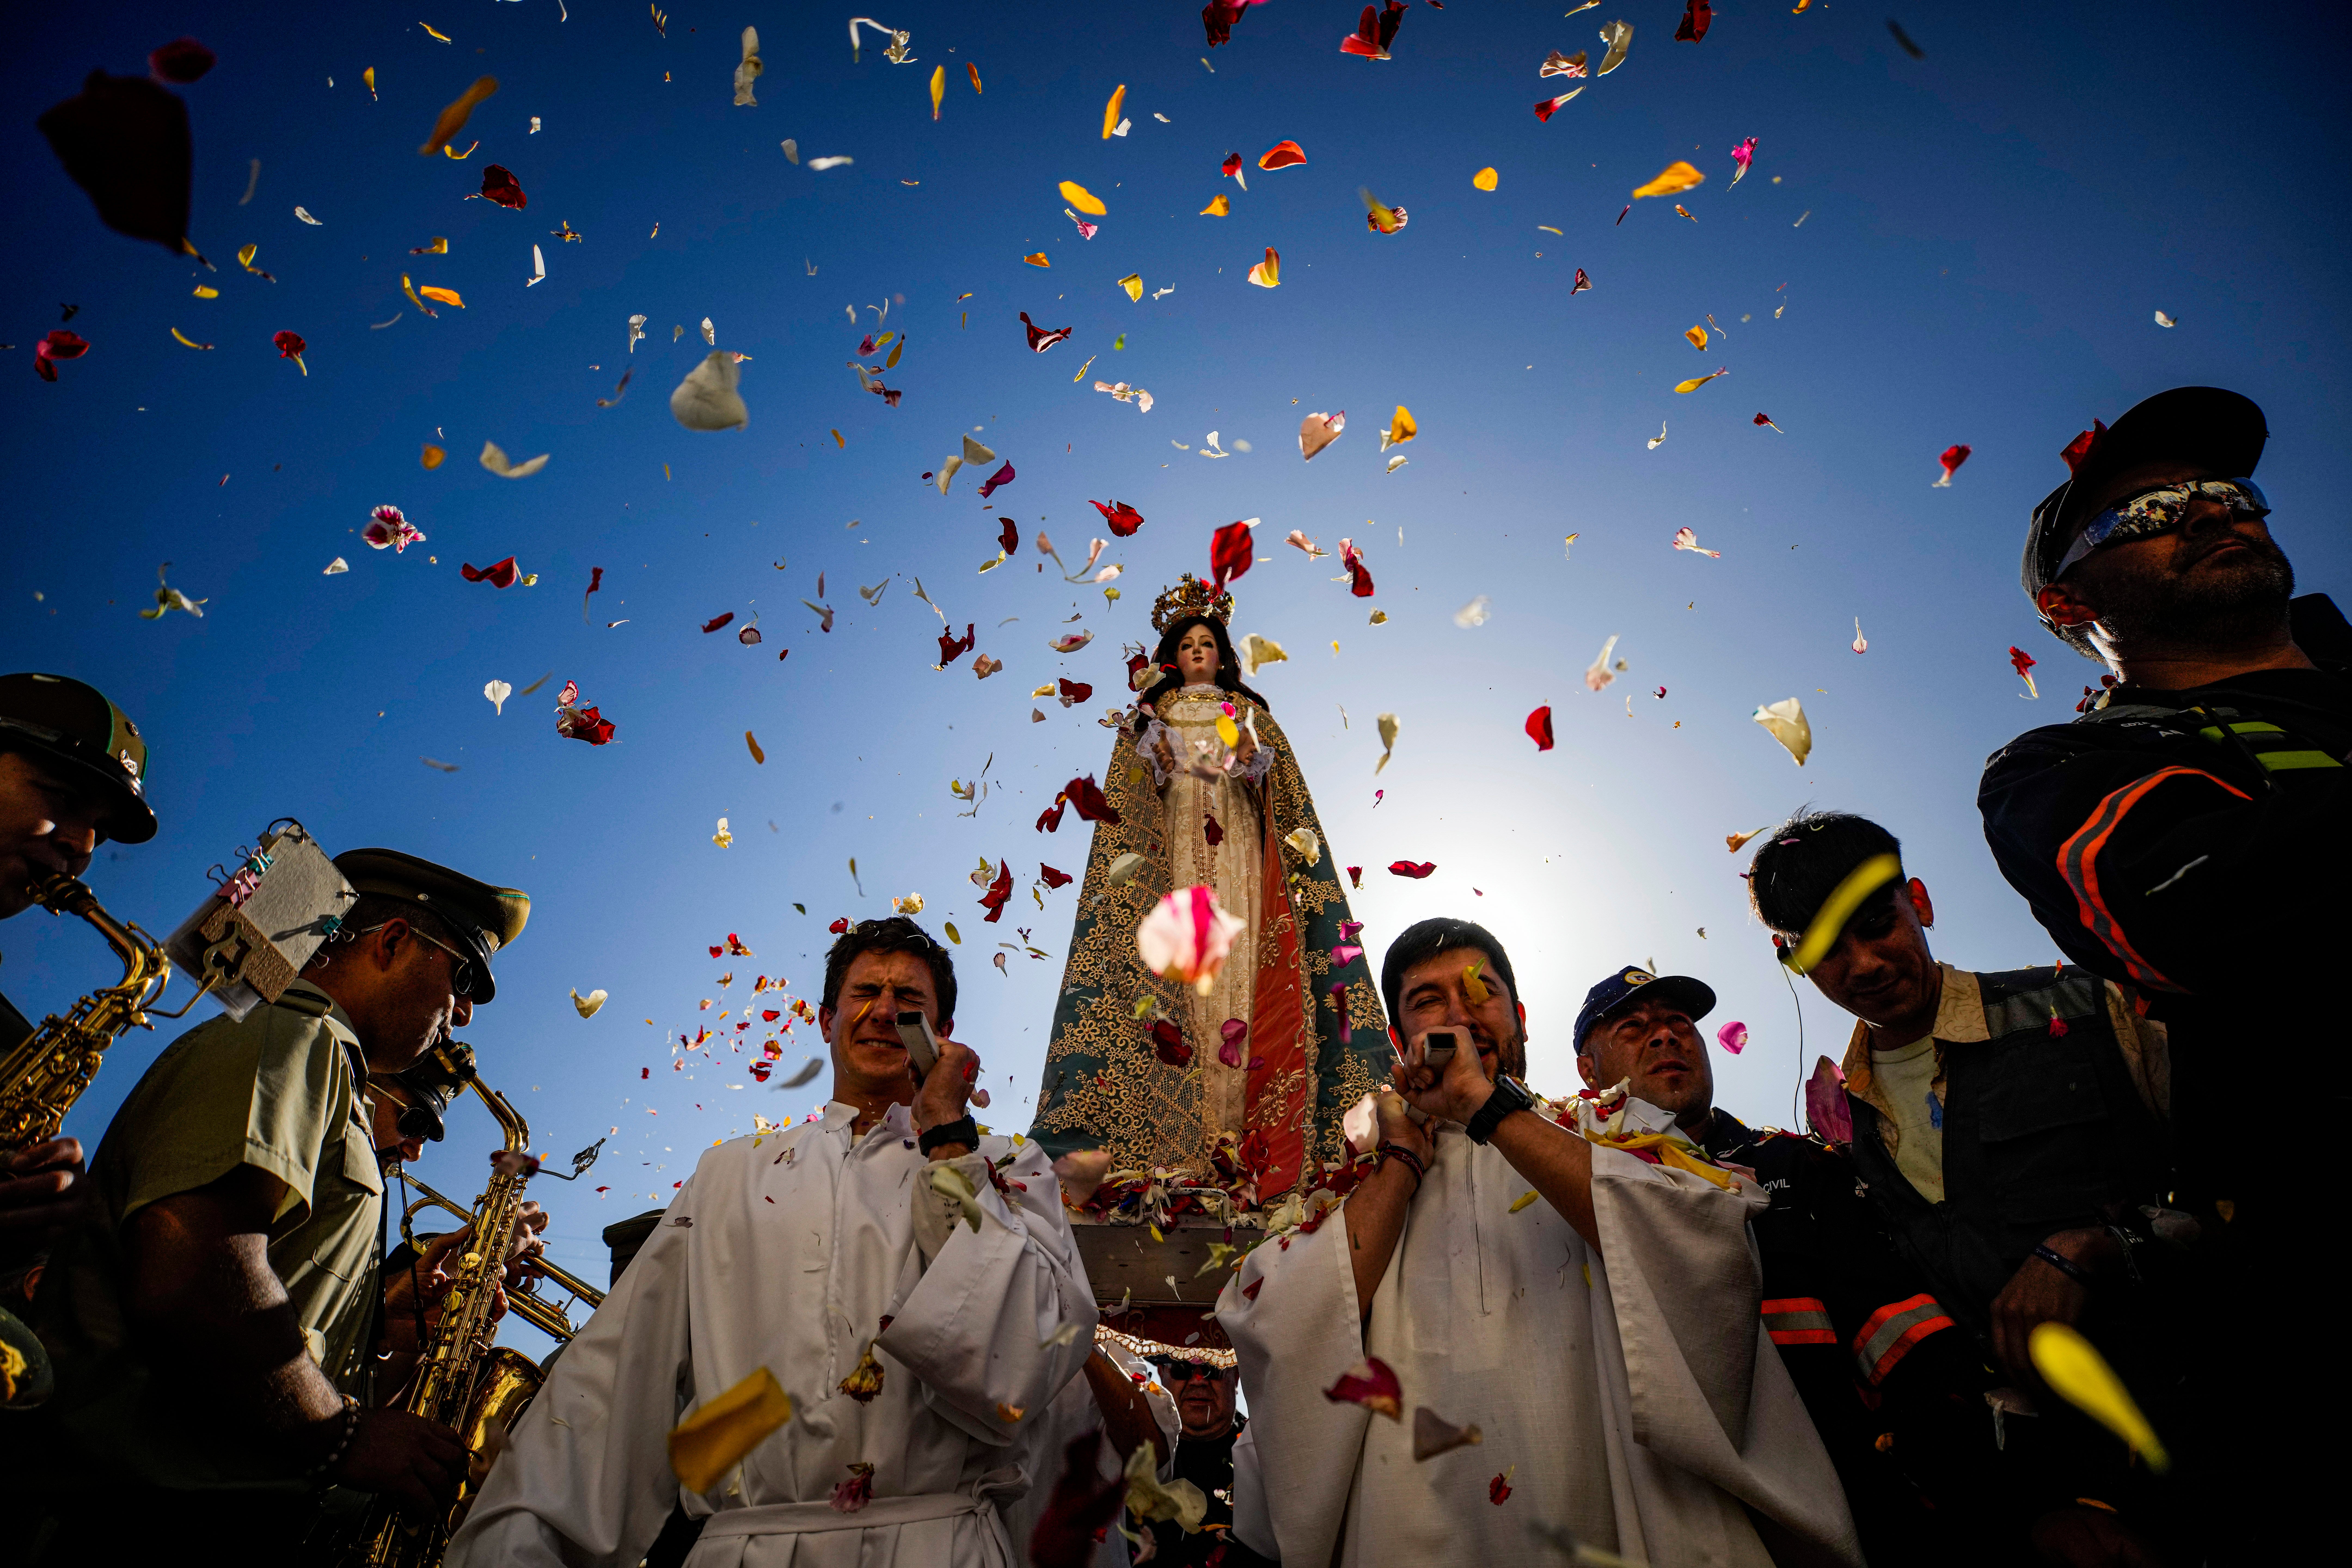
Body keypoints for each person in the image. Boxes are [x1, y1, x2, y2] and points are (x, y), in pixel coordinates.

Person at [1979, 386, 2342, 1559]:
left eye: (2224, 493)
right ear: (2067, 600)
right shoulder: (2068, 766)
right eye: (2158, 509)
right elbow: (2213, 911)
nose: (2209, 515)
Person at [448, 916, 1098, 1568]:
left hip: (940, 1544)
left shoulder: (1007, 1162)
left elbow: (1018, 1362)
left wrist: (949, 1143)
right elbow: (621, 1372)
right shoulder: (730, 1173)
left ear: (943, 1034)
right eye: (865, 991)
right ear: (824, 1019)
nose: (884, 1011)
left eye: (910, 1001)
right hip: (748, 1547)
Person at [1219, 916, 1858, 1568]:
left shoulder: (1609, 1126)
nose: (1461, 1015)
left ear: (1520, 1017)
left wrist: (1483, 1105)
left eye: (1480, 991)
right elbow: (1286, 1327)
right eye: (1429, 1000)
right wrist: (1402, 1162)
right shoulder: (1362, 1182)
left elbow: (1708, 1249)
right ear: (1397, 1039)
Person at [9, 847, 528, 1560]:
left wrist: (398, 1325)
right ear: (394, 942)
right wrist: (342, 1436)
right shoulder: (296, 1033)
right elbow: (190, 1270)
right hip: (143, 1526)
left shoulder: (325, 1060)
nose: (465, 1011)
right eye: (464, 975)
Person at [1749, 811, 2187, 1564]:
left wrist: (2104, 1246)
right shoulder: (1842, 1138)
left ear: (1918, 901)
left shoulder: (2087, 1009)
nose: (1863, 965)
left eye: (1875, 924)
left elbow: (2242, 1190)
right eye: (1826, 951)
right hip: (2051, 1507)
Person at [1566, 958, 1980, 1565]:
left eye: (1679, 1022)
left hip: (1832, 1515)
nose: (1665, 1036)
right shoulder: (1559, 1183)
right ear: (1587, 1067)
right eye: (1632, 1029)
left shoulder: (1797, 1169)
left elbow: (1901, 1338)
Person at [1032, 576, 1387, 1197]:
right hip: (1173, 856)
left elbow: (1275, 788)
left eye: (1207, 642)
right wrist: (1153, 748)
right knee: (1182, 990)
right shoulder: (1153, 715)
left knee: (1240, 978)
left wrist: (1249, 754)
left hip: (1242, 857)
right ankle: (1188, 1150)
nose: (1199, 651)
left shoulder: (1248, 714)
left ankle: (1243, 1139)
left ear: (1223, 654)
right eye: (1188, 643)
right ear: (1173, 656)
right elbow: (1132, 793)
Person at [0, 673, 160, 1317]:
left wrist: (37, 1234)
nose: (81, 844)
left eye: (98, 827)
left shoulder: (12, 1040)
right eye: (60, 796)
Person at [1141, 1348, 1271, 1567]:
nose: (1198, 1381)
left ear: (1237, 1377)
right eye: (1182, 1370)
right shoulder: (1128, 1447)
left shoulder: (1269, 1453)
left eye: (1213, 1369)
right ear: (1162, 1374)